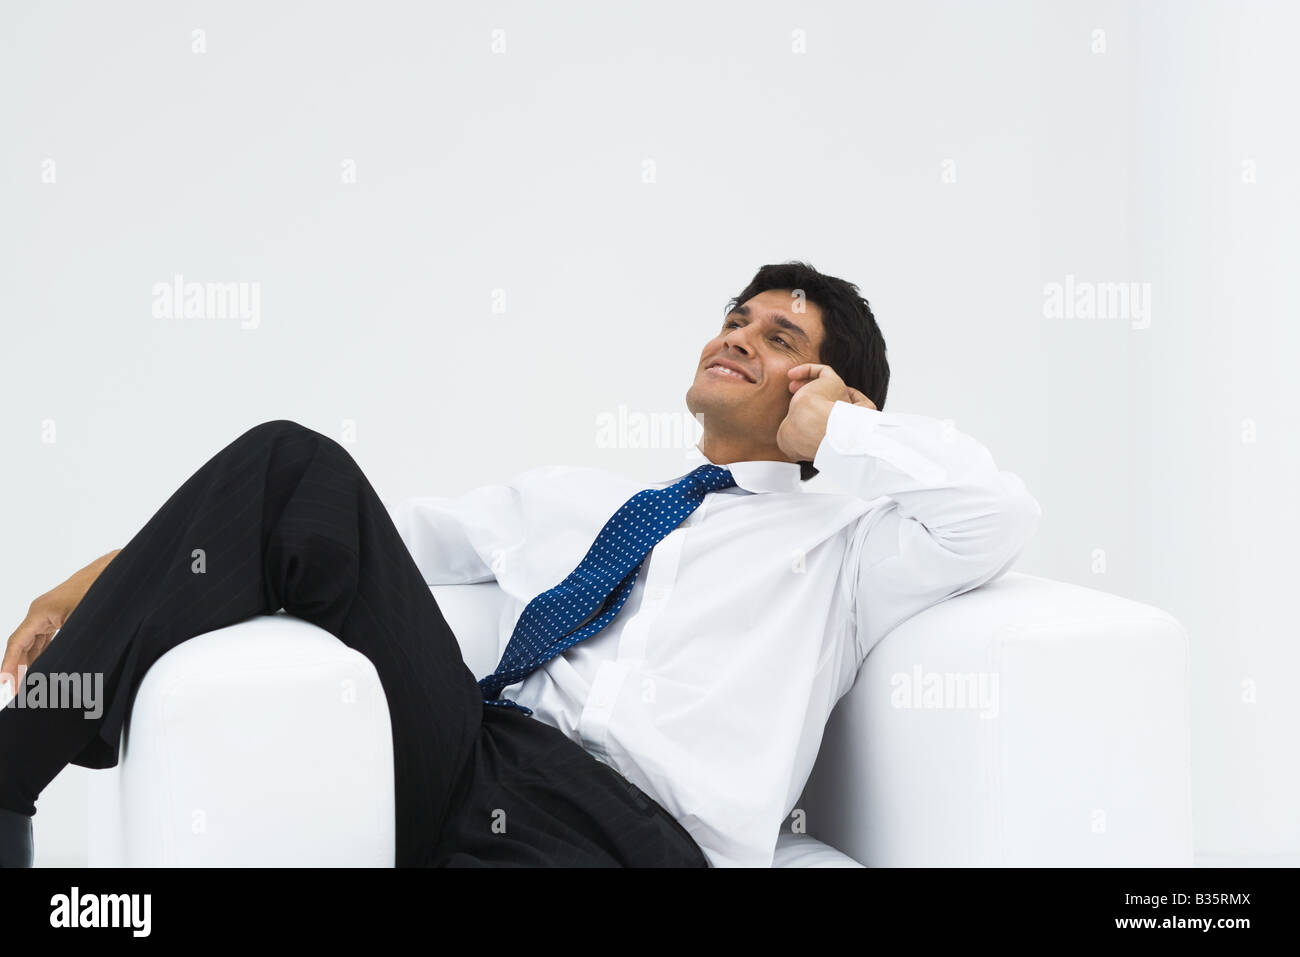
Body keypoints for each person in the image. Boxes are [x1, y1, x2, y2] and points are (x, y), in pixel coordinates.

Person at [0, 260, 1041, 868]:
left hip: (635, 841)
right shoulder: (585, 507)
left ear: (829, 391)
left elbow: (991, 516)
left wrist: (841, 438)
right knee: (295, 464)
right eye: (735, 317)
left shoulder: (847, 550)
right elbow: (335, 531)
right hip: (474, 760)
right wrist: (92, 580)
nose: (735, 337)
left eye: (778, 338)